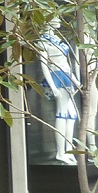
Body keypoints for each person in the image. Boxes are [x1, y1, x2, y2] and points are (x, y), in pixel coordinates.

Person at [37, 35, 77, 164]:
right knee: (62, 113)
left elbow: (66, 63)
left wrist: (74, 80)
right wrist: (52, 85)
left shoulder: (57, 38)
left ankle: (68, 149)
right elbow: (44, 65)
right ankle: (61, 153)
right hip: (57, 76)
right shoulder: (43, 40)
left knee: (72, 115)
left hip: (66, 75)